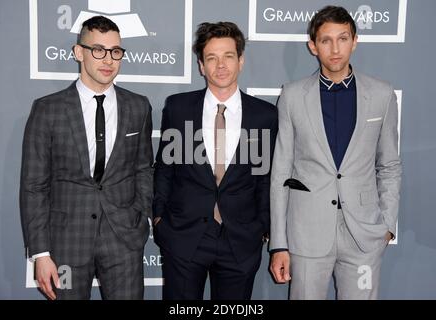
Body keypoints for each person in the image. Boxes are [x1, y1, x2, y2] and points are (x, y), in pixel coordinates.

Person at [269, 6, 402, 299]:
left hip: (364, 235)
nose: (335, 48)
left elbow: (389, 164)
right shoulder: (292, 95)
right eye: (326, 40)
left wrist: (387, 225)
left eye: (342, 38)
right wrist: (279, 242)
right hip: (307, 233)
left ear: (354, 41)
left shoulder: (381, 94)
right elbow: (281, 171)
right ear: (313, 46)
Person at [20, 16, 154, 300]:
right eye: (98, 50)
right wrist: (41, 253)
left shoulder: (138, 106)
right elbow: (34, 186)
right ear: (78, 52)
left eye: (115, 51)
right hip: (66, 242)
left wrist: (139, 214)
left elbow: (144, 167)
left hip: (124, 239)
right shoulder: (48, 110)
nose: (108, 59)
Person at [153, 21, 278, 300]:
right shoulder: (178, 108)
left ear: (241, 61)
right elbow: (165, 168)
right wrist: (160, 218)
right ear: (201, 65)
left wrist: (262, 226)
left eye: (228, 56)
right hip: (183, 237)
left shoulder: (265, 115)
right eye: (212, 58)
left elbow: (266, 177)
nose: (220, 65)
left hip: (240, 239)